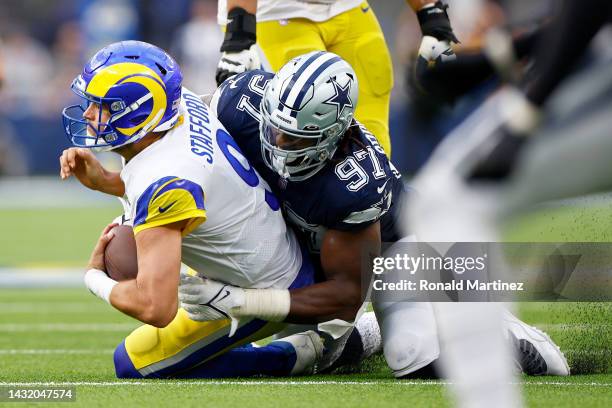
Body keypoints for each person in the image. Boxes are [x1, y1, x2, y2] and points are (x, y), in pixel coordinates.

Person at [60, 40, 333, 379]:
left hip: (267, 289)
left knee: (134, 363)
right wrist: (108, 182)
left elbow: (155, 307)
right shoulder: (179, 105)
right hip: (261, 243)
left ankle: (296, 354)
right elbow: (187, 184)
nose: (87, 113)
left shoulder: (164, 179)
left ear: (138, 112)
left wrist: (93, 279)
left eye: (102, 105)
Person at [214, 0, 460, 156]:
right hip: (274, 10)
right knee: (305, 126)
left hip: (347, 7)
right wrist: (239, 36)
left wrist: (431, 13)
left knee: (375, 139)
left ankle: (378, 215)